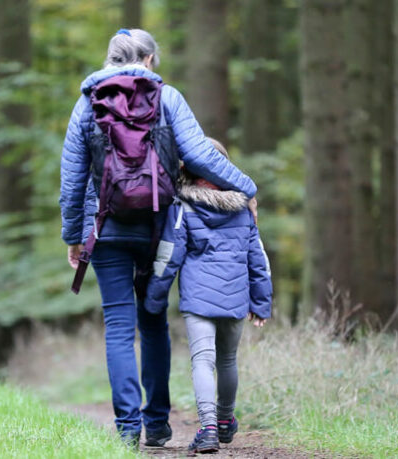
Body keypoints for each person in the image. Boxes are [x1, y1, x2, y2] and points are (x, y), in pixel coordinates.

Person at [59, 29, 258, 447]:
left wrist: (74, 235)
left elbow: (72, 179)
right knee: (153, 322)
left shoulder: (86, 104)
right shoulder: (168, 98)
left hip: (106, 227)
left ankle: (127, 429)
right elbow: (202, 155)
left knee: (118, 326)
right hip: (159, 228)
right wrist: (247, 188)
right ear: (149, 59)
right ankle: (158, 424)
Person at [144, 139, 272, 454]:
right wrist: (261, 301)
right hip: (236, 296)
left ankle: (209, 428)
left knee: (203, 361)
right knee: (228, 360)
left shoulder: (183, 207)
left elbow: (169, 255)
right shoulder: (243, 208)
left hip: (199, 300)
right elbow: (258, 259)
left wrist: (154, 297)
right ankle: (226, 421)